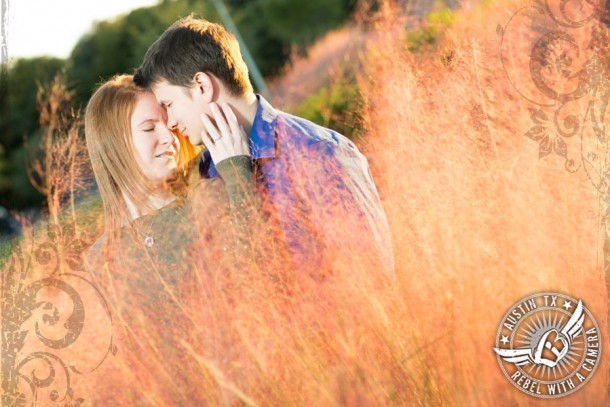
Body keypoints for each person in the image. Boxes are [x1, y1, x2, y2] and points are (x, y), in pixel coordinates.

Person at [134, 16, 395, 279]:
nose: (173, 122)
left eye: (169, 104)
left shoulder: (321, 152)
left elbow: (374, 280)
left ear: (202, 86)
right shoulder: (202, 174)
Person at [82, 74, 257, 405]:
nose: (169, 137)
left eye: (169, 125)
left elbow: (259, 274)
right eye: (149, 129)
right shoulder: (99, 260)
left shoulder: (211, 198)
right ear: (112, 144)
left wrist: (237, 175)